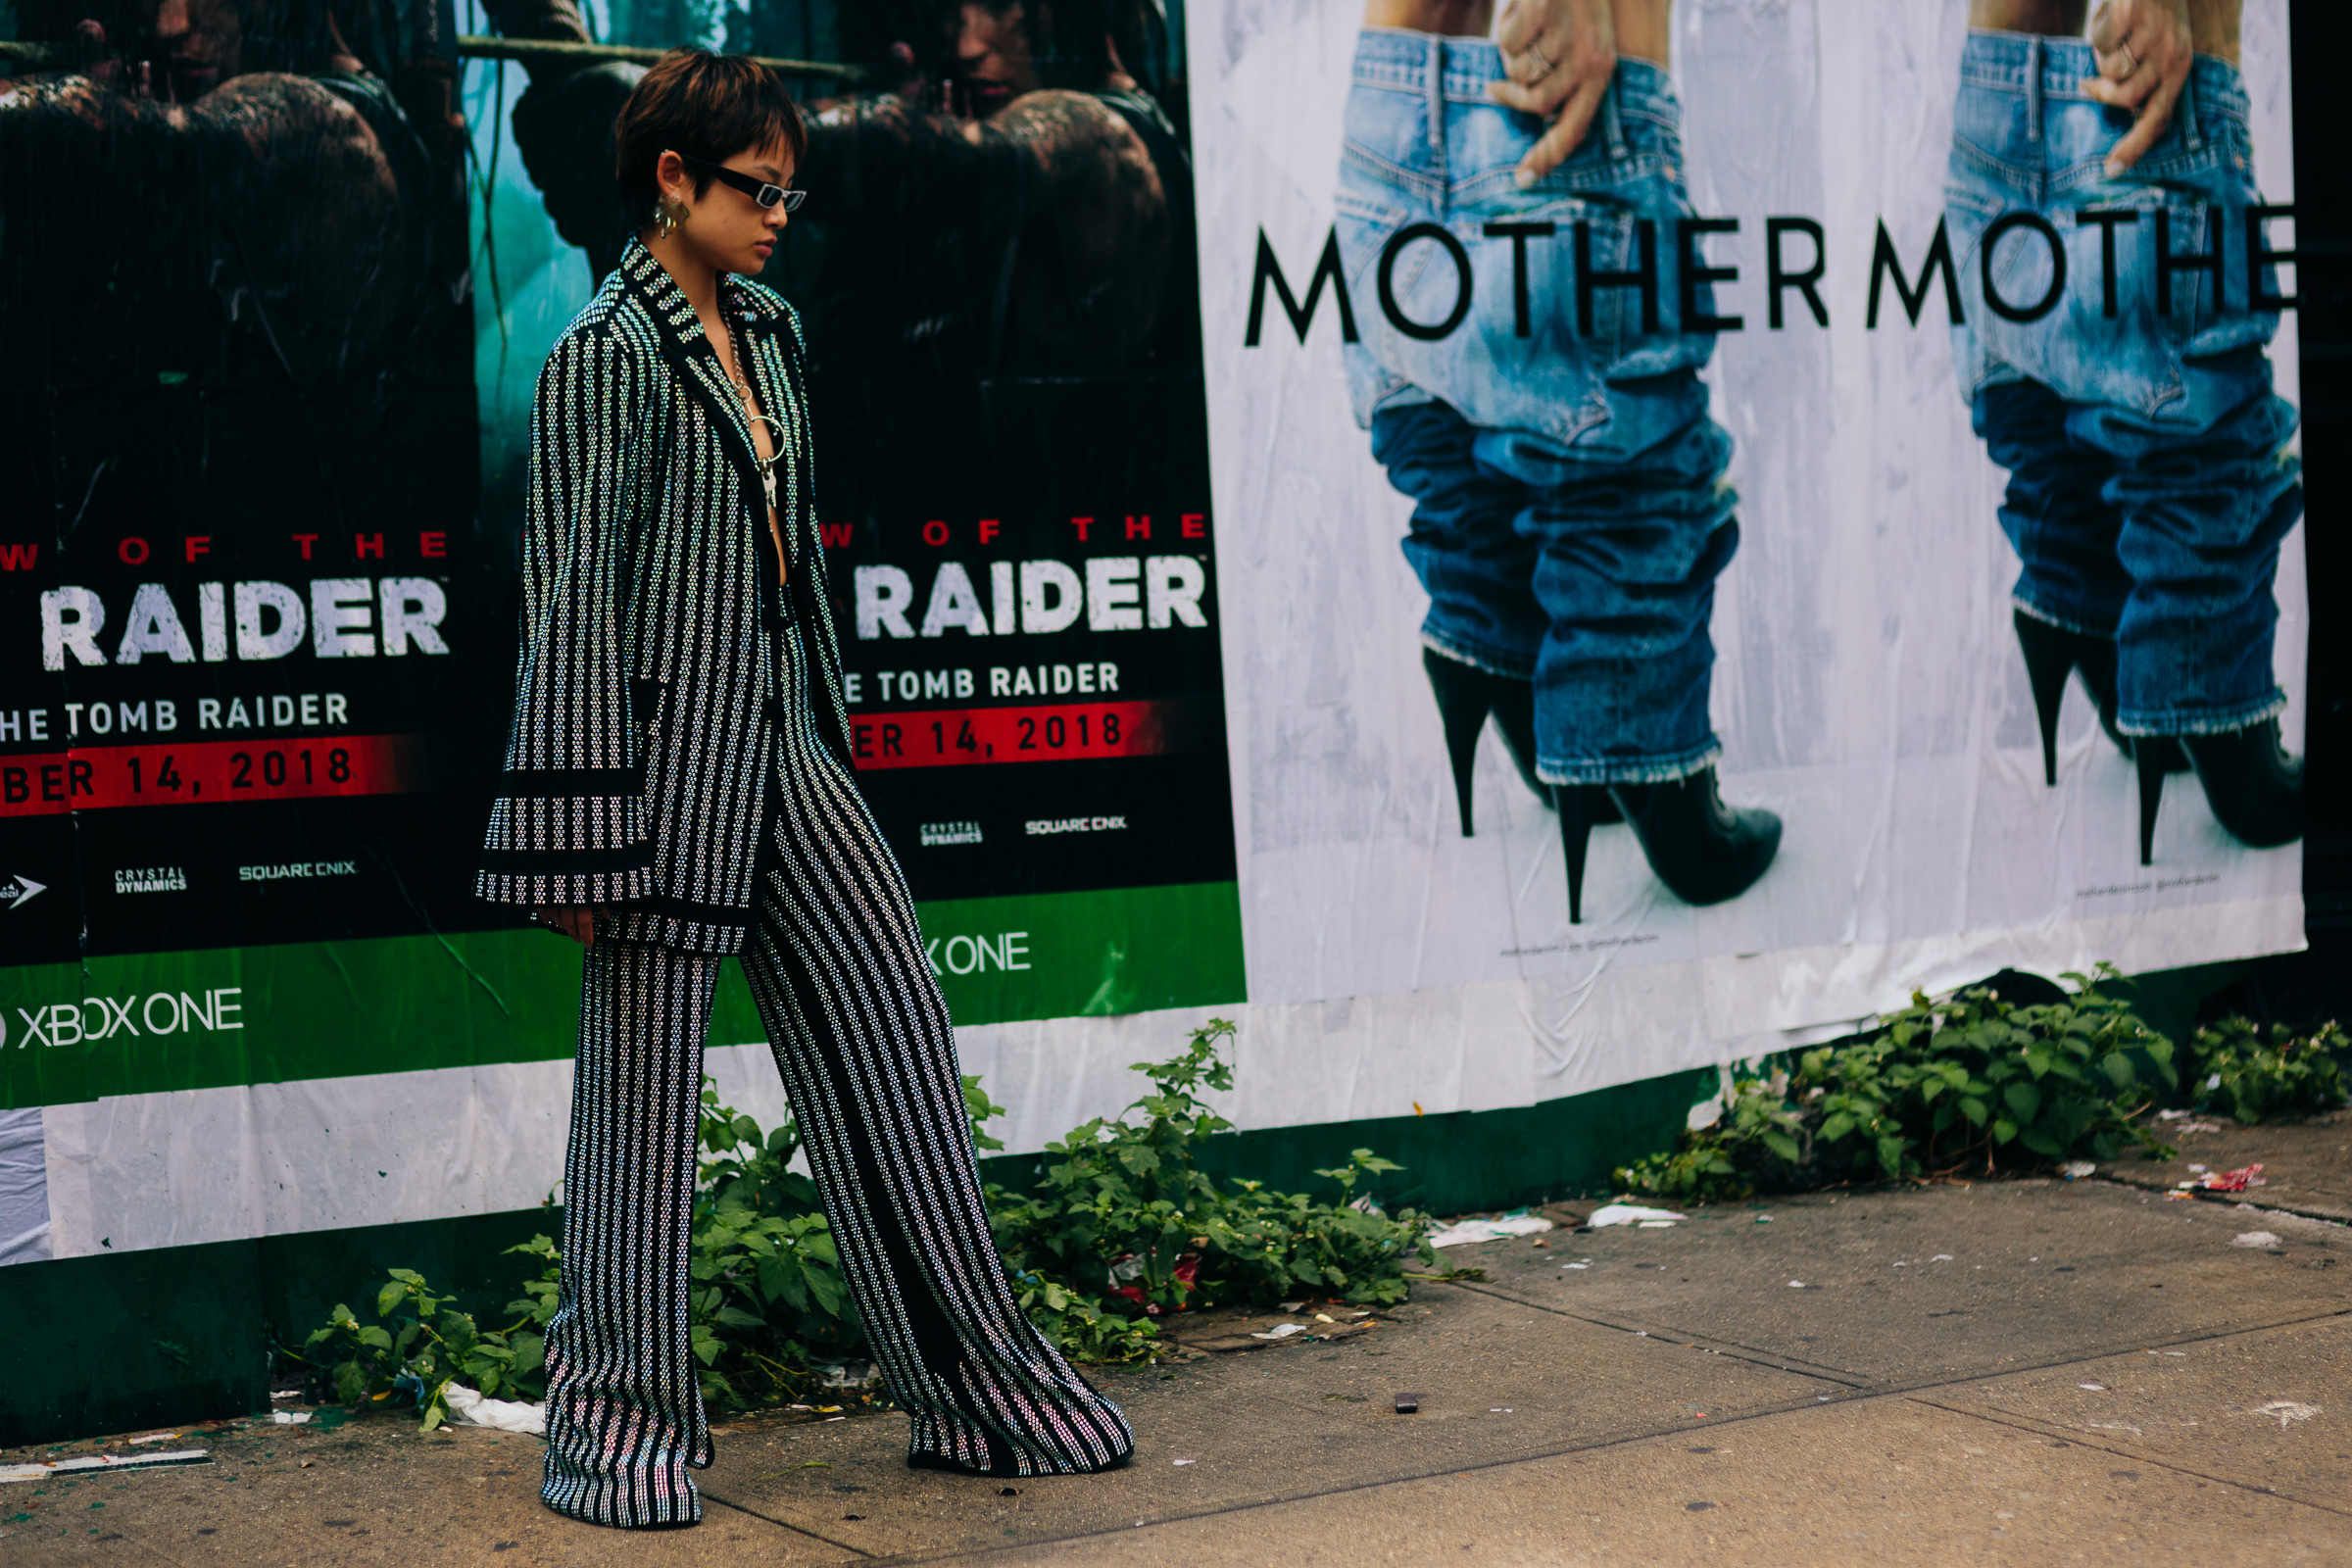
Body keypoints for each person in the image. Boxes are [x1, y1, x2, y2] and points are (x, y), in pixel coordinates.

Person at [474, 49, 1134, 1528]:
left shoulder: (768, 332)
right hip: (652, 775)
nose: (780, 215)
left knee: (896, 1045)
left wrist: (818, 733)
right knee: (639, 1115)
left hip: (786, 737)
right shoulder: (604, 356)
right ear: (672, 182)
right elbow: (569, 599)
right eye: (756, 191)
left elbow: (793, 571)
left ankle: (976, 1386)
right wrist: (578, 842)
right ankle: (615, 1429)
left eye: (790, 191)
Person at [1336, 0, 1778, 924]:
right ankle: (1644, 761)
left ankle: (1488, 654)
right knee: (1619, 472)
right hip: (1561, 120)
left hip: (1387, 108)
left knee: (1444, 423)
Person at [1946, 0, 2303, 865]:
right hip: (2147, 117)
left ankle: (2080, 606)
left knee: (2044, 383)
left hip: (1992, 109)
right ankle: (2203, 695)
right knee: (2189, 423)